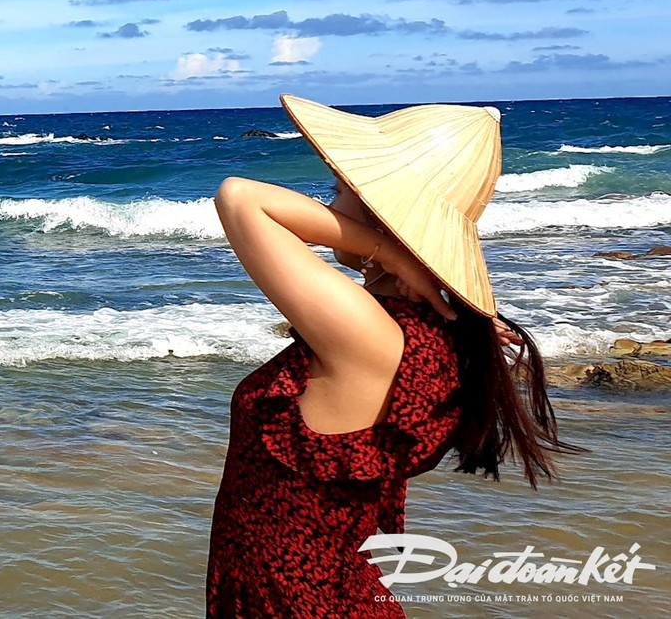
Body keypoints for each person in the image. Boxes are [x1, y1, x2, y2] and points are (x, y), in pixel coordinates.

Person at [204, 94, 580, 618]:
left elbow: (241, 198)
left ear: (383, 213)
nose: (326, 208)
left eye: (338, 192)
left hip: (303, 604)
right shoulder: (419, 333)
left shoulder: (370, 332)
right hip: (321, 597)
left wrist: (394, 254)